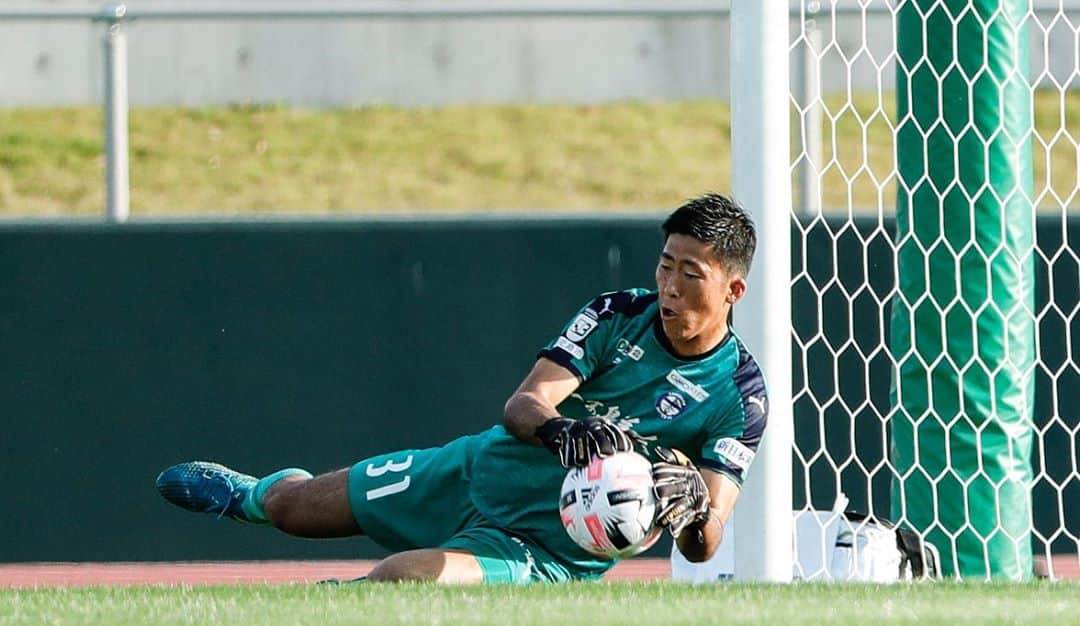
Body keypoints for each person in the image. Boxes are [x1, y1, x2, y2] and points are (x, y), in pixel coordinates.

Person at [156, 192, 768, 584]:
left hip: (546, 554)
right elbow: (523, 404)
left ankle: (327, 605)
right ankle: (256, 495)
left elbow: (704, 547)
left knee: (403, 579)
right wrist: (563, 430)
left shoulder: (740, 397)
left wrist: (693, 508)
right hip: (477, 472)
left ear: (732, 293)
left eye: (691, 274)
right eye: (665, 265)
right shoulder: (617, 314)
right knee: (295, 512)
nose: (669, 286)